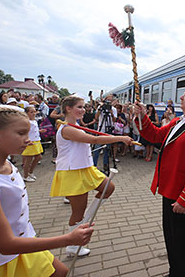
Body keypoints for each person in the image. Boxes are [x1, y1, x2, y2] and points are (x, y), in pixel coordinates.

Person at [0, 105, 94, 277]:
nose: (28, 140)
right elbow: (5, 245)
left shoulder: (6, 164)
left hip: (23, 243)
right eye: (21, 133)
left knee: (61, 272)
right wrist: (68, 239)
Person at [133, 84, 185, 277]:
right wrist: (142, 115)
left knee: (184, 243)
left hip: (182, 195)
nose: (181, 97)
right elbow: (155, 135)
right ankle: (175, 272)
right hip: (169, 190)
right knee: (171, 238)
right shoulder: (179, 121)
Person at [49, 95, 133, 256]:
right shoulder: (67, 129)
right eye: (79, 107)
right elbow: (94, 140)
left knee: (109, 188)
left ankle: (86, 221)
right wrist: (121, 138)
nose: (83, 110)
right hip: (72, 171)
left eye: (83, 107)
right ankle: (73, 245)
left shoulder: (74, 125)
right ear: (68, 109)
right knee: (77, 212)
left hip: (85, 168)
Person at [92, 95, 117, 171]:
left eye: (110, 101)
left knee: (107, 149)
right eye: (107, 101)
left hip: (109, 130)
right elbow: (96, 118)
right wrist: (100, 109)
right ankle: (94, 166)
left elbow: (114, 120)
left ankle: (106, 165)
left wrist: (111, 113)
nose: (108, 102)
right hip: (101, 130)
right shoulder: (100, 107)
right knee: (97, 148)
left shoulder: (113, 109)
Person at [21, 106, 44, 182]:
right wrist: (27, 140)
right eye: (31, 112)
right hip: (30, 142)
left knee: (39, 157)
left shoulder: (34, 121)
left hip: (36, 141)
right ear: (26, 113)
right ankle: (25, 175)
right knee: (28, 160)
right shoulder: (26, 122)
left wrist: (40, 131)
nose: (34, 113)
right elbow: (24, 132)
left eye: (34, 111)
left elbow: (33, 130)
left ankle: (30, 172)